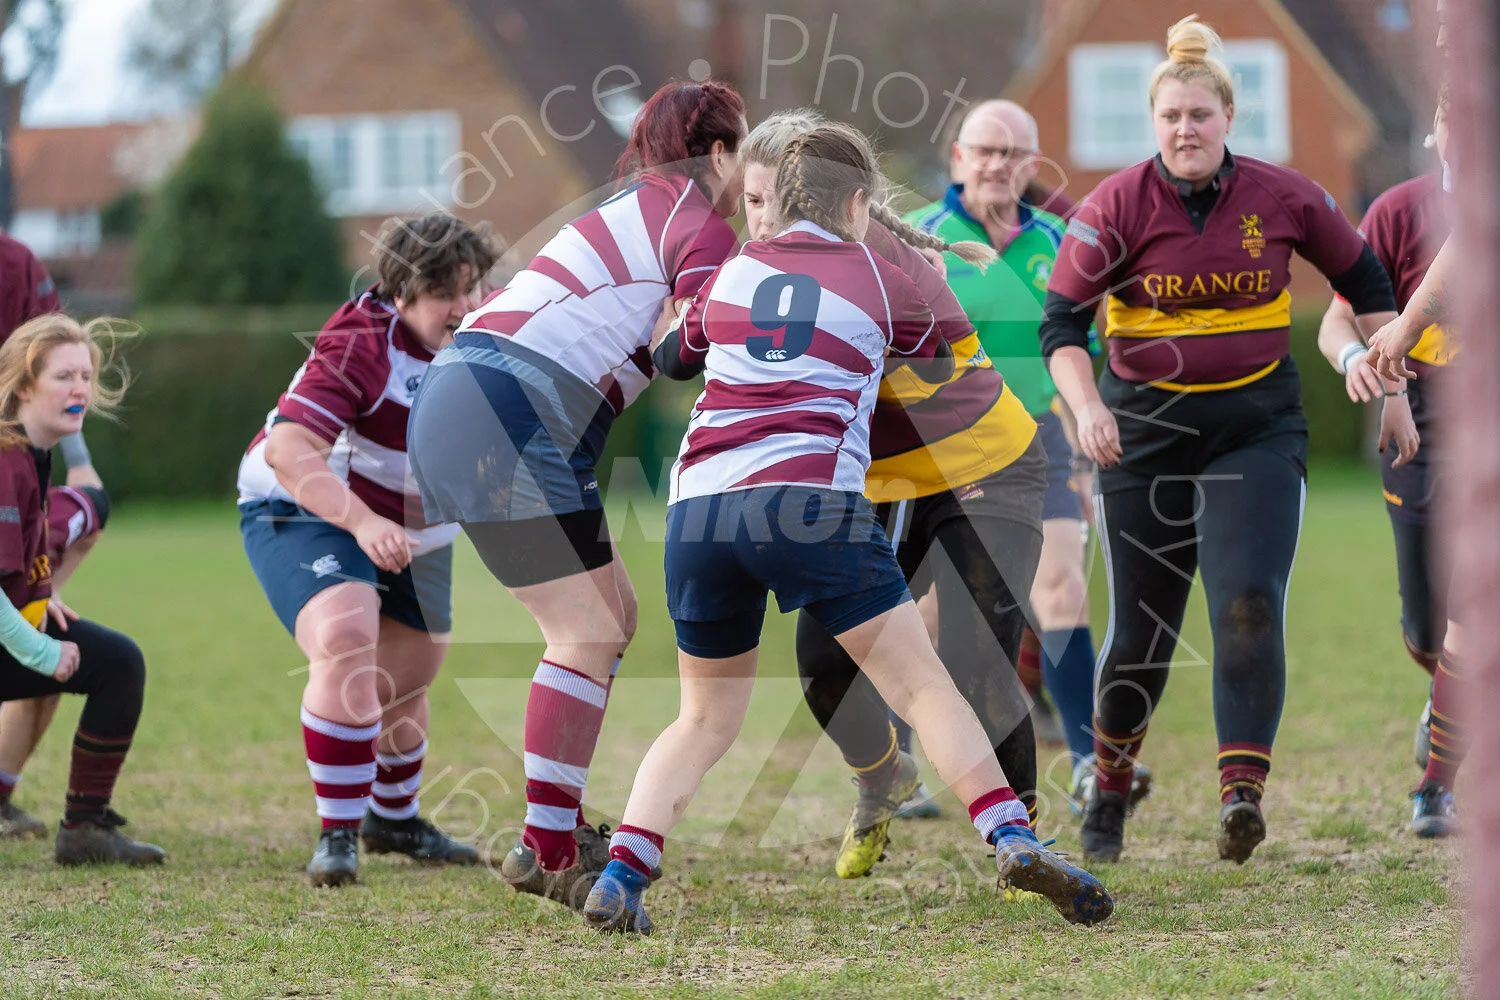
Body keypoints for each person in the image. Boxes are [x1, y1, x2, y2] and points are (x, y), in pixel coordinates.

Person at [581, 123, 1113, 933]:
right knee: (923, 683)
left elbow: (673, 359)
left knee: (702, 718)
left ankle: (623, 875)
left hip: (698, 507)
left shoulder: (734, 269)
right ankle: (1010, 835)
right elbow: (941, 366)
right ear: (861, 203)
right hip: (809, 500)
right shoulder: (879, 271)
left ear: (780, 200)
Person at [1040, 16, 1398, 864]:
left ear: (1228, 119)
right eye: (1171, 118)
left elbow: (1367, 281)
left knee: (1247, 602)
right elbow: (1061, 325)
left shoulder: (1285, 196)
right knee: (1141, 631)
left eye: (1200, 115)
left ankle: (1242, 794)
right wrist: (1089, 407)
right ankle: (1112, 788)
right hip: (1144, 438)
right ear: (1153, 124)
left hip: (1257, 430)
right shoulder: (1114, 205)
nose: (1185, 130)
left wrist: (1396, 394)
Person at [406, 80, 747, 910]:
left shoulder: (638, 205)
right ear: (715, 153)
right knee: (584, 630)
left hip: (479, 400)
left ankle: (547, 837)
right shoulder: (690, 214)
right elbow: (711, 329)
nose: (749, 172)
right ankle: (550, 847)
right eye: (744, 148)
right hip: (507, 408)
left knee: (610, 617)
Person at [738, 109, 1048, 880]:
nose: (760, 218)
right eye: (747, 202)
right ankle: (881, 779)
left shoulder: (878, 261)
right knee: (822, 657)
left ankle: (1025, 843)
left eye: (771, 198)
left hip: (985, 463)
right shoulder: (762, 266)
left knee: (977, 659)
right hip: (876, 483)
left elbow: (930, 353)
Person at [238, 213, 499, 886]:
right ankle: (338, 834)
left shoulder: (492, 330)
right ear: (405, 289)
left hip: (416, 522)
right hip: (308, 504)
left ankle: (395, 818)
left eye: (474, 288)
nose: (465, 306)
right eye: (450, 293)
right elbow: (289, 450)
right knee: (347, 635)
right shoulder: (361, 343)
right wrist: (359, 524)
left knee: (406, 680)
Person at [905, 100, 1133, 812]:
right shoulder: (922, 242)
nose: (998, 165)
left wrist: (1082, 446)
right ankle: (897, 765)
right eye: (986, 151)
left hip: (1037, 438)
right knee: (927, 609)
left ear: (1032, 165)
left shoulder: (1063, 242)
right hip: (940, 443)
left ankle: (1089, 761)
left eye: (1013, 154)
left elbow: (1077, 352)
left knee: (1061, 585)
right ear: (958, 160)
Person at [1317, 92, 1450, 788]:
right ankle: (1443, 690)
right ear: (1433, 132)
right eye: (1453, 117)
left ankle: (1446, 760)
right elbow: (1336, 323)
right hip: (1418, 419)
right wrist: (1354, 362)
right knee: (1428, 626)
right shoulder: (1397, 212)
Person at [0, 312, 161, 865]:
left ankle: (85, 828)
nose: (81, 389)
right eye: (64, 376)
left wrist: (43, 598)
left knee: (116, 663)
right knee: (108, 663)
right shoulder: (6, 460)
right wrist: (41, 649)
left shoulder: (29, 455)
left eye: (86, 376)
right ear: (23, 384)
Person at [0, 231, 108, 839]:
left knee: (39, 615)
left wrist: (80, 460)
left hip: (17, 460)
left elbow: (61, 355)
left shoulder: (15, 263)